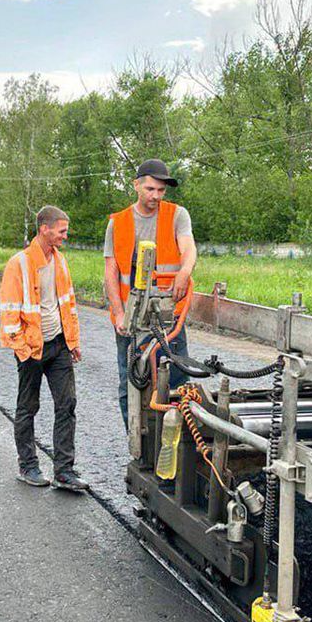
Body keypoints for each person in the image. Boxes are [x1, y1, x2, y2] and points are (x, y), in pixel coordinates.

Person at [0, 205, 88, 491]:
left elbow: (67, 304)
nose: (65, 235)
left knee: (67, 405)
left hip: (58, 344)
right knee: (28, 407)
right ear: (44, 229)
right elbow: (9, 311)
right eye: (61, 231)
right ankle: (28, 466)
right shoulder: (19, 263)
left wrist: (72, 342)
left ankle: (64, 471)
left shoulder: (60, 261)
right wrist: (22, 349)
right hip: (31, 348)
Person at [103, 159, 197, 428]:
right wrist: (119, 313)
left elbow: (188, 248)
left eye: (161, 190)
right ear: (136, 186)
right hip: (130, 318)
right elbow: (111, 271)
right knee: (131, 381)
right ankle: (138, 445)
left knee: (177, 382)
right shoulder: (118, 223)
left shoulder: (177, 215)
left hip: (169, 316)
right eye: (150, 189)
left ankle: (175, 447)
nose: (156, 196)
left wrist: (184, 272)